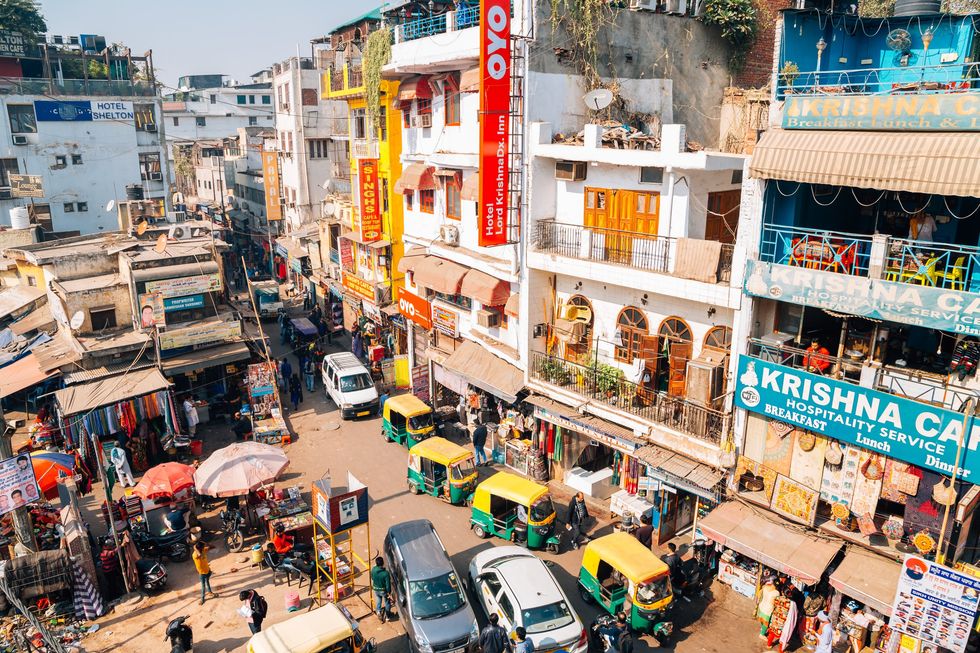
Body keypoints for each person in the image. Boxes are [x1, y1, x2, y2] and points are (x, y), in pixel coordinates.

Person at [371, 556, 392, 622]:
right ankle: (387, 617)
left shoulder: (373, 569)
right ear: (383, 563)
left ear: (376, 563)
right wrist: (389, 593)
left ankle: (378, 611)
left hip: (376, 589)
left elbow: (372, 577)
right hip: (383, 590)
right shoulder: (385, 573)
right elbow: (388, 585)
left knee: (378, 599)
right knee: (387, 602)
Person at [192, 541, 214, 605]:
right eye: (203, 547)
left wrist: (206, 543)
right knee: (203, 586)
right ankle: (202, 598)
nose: (204, 547)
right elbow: (199, 555)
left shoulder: (203, 550)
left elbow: (212, 546)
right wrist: (195, 548)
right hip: (202, 573)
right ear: (200, 548)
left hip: (208, 570)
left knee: (207, 581)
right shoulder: (195, 554)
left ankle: (210, 592)